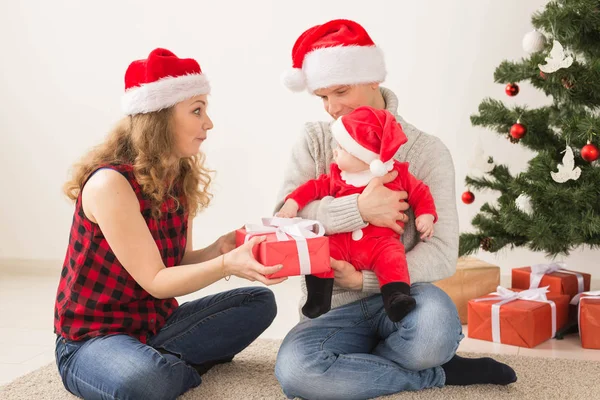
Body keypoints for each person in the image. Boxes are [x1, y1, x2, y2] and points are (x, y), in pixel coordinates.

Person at [274, 19, 517, 400]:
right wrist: (358, 209)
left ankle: (381, 363)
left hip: (406, 299)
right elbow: (284, 223)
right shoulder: (315, 141)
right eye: (322, 97)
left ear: (372, 79)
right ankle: (431, 373)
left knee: (433, 331)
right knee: (296, 372)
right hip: (332, 309)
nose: (333, 108)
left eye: (341, 91)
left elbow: (441, 253)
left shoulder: (426, 151)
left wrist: (366, 281)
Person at [54, 48, 285, 400]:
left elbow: (173, 265)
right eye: (197, 110)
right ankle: (169, 367)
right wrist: (226, 265)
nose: (209, 123)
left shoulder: (178, 174)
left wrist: (220, 249)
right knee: (144, 381)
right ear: (159, 118)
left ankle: (163, 362)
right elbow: (158, 281)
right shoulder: (109, 184)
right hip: (93, 338)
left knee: (258, 302)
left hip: (155, 326)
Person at [277, 106, 437, 322]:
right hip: (340, 242)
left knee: (392, 258)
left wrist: (425, 215)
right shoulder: (337, 176)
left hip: (380, 243)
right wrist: (292, 203)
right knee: (320, 253)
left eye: (342, 148)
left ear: (365, 157)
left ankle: (396, 298)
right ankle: (318, 298)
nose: (335, 151)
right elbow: (312, 188)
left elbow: (420, 192)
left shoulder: (396, 174)